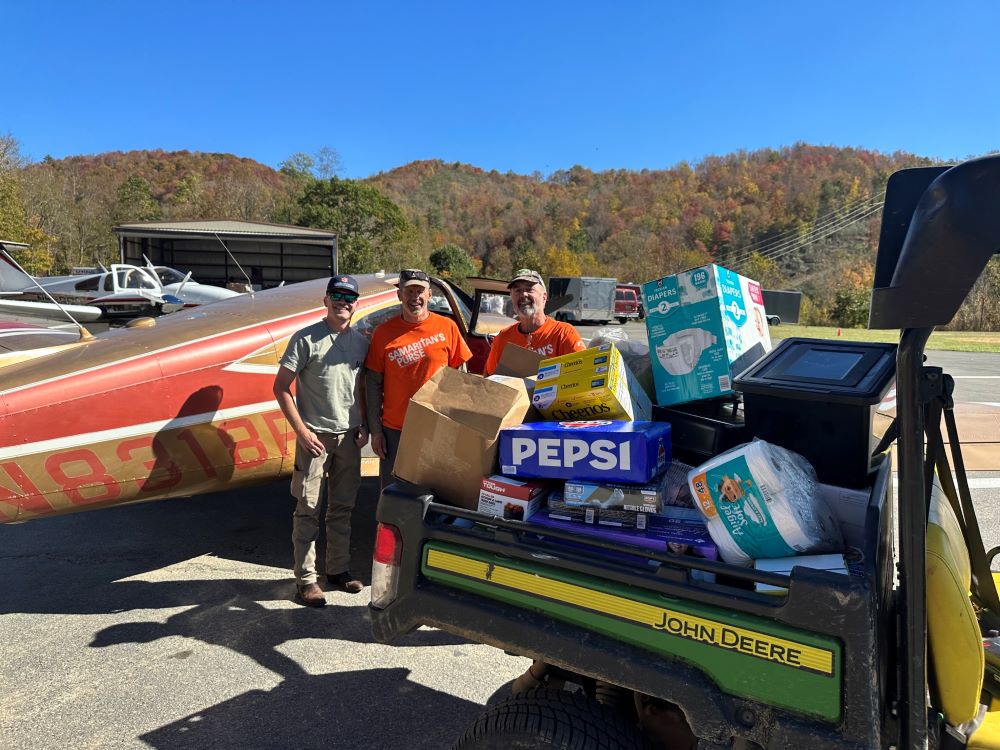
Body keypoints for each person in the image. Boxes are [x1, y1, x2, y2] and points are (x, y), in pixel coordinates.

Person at [273, 274, 370, 608]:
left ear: (357, 304)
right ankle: (306, 580)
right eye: (337, 296)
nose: (343, 302)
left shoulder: (360, 342)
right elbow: (281, 387)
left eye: (349, 297)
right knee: (308, 509)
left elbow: (358, 388)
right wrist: (301, 431)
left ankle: (338, 570)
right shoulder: (306, 339)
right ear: (326, 301)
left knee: (342, 507)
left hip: (349, 437)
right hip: (315, 438)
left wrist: (364, 424)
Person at [365, 268, 472, 489]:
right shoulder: (383, 333)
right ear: (399, 295)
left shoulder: (447, 327)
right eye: (409, 291)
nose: (415, 297)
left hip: (437, 428)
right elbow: (373, 385)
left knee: (436, 493)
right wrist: (376, 431)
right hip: (395, 430)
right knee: (395, 494)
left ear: (430, 295)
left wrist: (458, 427)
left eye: (420, 291)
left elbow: (461, 378)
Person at [484, 268, 587, 375]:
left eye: (529, 289)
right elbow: (489, 378)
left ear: (544, 297)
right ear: (512, 298)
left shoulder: (563, 333)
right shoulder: (502, 338)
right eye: (517, 290)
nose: (523, 294)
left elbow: (582, 373)